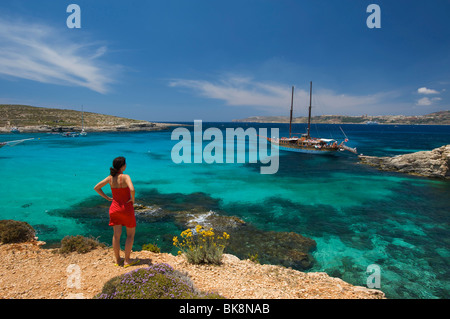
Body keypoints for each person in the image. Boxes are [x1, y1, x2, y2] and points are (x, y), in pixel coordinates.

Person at [94, 156, 139, 267]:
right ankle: (127, 260)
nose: (126, 165)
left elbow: (96, 187)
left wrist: (107, 198)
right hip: (126, 209)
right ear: (122, 166)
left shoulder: (110, 178)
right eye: (125, 164)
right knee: (130, 235)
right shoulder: (125, 177)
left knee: (116, 236)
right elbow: (132, 189)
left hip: (114, 208)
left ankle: (118, 260)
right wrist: (132, 198)